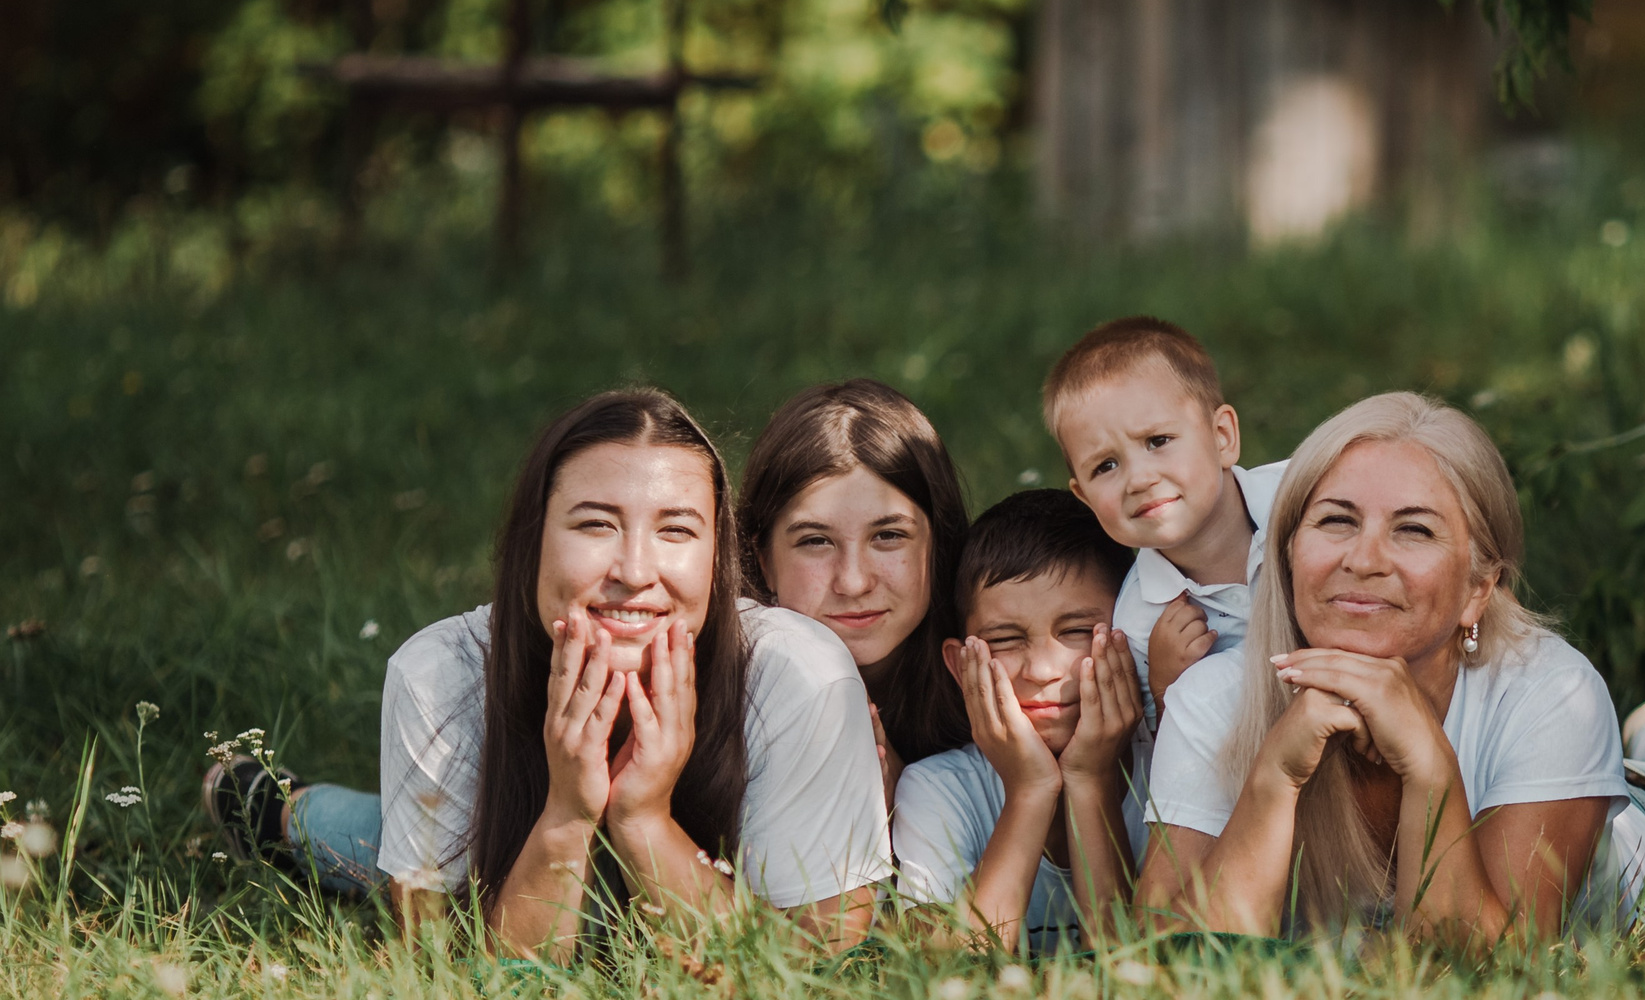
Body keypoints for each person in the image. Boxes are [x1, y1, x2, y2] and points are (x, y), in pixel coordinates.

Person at [204, 389, 891, 956]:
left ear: (717, 558)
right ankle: (278, 810)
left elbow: (810, 958)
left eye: (677, 530)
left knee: (387, 832)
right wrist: (567, 812)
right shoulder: (441, 674)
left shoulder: (799, 675)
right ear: (532, 542)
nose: (635, 571)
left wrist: (643, 817)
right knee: (374, 840)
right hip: (494, 851)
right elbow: (447, 967)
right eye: (595, 525)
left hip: (691, 863)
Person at [1136, 392, 1627, 944]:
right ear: (1288, 555)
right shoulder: (1211, 699)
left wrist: (1429, 766)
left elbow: (1499, 964)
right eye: (1336, 521)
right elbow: (1164, 959)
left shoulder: (1554, 694)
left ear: (1478, 588)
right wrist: (1274, 777)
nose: (1364, 560)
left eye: (1414, 530)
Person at [890, 491, 1146, 953]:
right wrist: (1030, 791)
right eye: (1006, 640)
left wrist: (1091, 779)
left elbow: (1131, 970)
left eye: (1077, 631)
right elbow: (948, 974)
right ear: (960, 667)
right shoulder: (940, 789)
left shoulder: (1167, 775)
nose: (1042, 670)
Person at [739, 379, 973, 795]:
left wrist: (908, 795)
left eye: (888, 536)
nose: (853, 582)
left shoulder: (1005, 669)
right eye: (816, 541)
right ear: (764, 562)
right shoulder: (717, 694)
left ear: (938, 545)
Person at [1043, 316, 1287, 713]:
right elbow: (1159, 753)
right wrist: (1165, 686)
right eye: (1105, 466)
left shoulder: (1308, 500)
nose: (1139, 479)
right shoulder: (1139, 628)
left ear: (1222, 437)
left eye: (1158, 441)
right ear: (1085, 498)